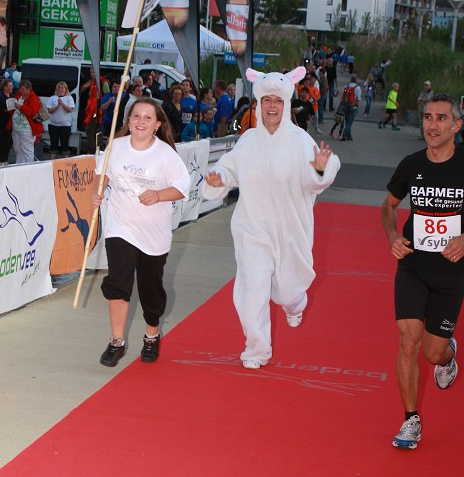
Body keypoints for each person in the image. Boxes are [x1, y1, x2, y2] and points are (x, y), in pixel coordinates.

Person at [201, 66, 340, 369]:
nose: (272, 106)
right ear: (259, 104)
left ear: (286, 104)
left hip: (291, 231)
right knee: (253, 291)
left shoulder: (300, 140)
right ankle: (256, 349)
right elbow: (228, 169)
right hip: (253, 231)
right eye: (267, 100)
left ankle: (296, 304)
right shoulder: (248, 140)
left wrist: (318, 168)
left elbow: (319, 175)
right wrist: (218, 181)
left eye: (278, 100)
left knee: (288, 291)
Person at [380, 94, 464, 450]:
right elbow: (388, 206)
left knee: (432, 353)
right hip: (413, 266)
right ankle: (410, 420)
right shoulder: (410, 164)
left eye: (440, 118)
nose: (432, 125)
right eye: (427, 118)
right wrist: (392, 235)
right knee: (408, 342)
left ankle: (448, 354)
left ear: (456, 126)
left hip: (451, 271)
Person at [91, 98, 190, 367]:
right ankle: (116, 342)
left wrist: (158, 195)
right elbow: (102, 174)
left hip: (153, 233)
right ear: (129, 121)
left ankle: (151, 334)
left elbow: (182, 187)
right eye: (136, 116)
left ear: (158, 124)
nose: (141, 122)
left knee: (151, 290)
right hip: (120, 227)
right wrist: (97, 192)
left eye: (148, 118)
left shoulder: (166, 154)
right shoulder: (116, 146)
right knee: (118, 283)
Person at [10, 79, 43, 164]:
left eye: (23, 89)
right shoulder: (19, 95)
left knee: (27, 150)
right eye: (20, 89)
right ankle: (19, 166)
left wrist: (20, 107)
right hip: (16, 128)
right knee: (17, 149)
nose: (21, 91)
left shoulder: (34, 98)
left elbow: (32, 111)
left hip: (27, 129)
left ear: (29, 89)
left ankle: (29, 167)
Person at [46, 80, 75, 158]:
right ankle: (52, 163)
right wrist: (57, 106)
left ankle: (65, 164)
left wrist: (62, 103)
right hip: (53, 125)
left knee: (64, 145)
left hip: (65, 126)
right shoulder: (52, 98)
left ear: (65, 89)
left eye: (62, 88)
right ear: (56, 89)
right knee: (53, 145)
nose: (60, 89)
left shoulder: (69, 98)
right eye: (59, 88)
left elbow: (69, 110)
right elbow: (49, 111)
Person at [0, 78, 14, 166]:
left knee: (9, 142)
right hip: (2, 123)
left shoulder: (11, 97)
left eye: (12, 86)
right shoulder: (1, 98)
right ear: (4, 87)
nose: (11, 87)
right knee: (3, 142)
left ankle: (5, 159)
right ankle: (0, 160)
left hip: (10, 123)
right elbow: (6, 110)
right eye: (10, 86)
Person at [339, 74, 361, 142]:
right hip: (353, 106)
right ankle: (344, 136)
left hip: (345, 106)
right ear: (356, 81)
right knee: (349, 123)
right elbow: (358, 98)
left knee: (347, 121)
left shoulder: (346, 86)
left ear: (350, 80)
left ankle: (349, 136)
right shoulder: (357, 88)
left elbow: (343, 97)